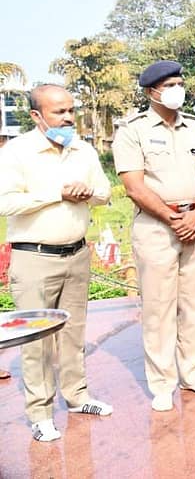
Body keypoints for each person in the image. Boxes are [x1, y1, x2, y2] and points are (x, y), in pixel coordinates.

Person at [0, 84, 113, 441]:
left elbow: (105, 193)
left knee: (73, 333)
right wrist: (57, 194)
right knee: (36, 341)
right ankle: (40, 413)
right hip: (35, 258)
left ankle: (77, 396)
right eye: (58, 112)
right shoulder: (17, 152)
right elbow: (5, 202)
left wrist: (88, 193)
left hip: (76, 254)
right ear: (36, 115)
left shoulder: (83, 149)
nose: (67, 118)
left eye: (70, 110)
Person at [112, 60, 195, 413]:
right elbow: (134, 186)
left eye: (180, 83)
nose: (177, 90)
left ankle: (193, 374)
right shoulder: (133, 130)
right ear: (151, 92)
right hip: (156, 227)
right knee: (158, 308)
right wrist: (175, 220)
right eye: (170, 85)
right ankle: (162, 383)